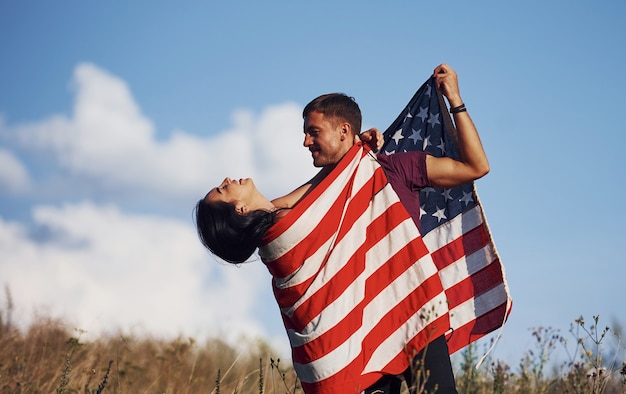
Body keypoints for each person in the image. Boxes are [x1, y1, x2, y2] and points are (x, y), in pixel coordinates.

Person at [195, 64, 488, 393]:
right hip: (360, 341)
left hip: (410, 307)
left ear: (343, 131)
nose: (306, 141)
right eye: (222, 191)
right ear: (240, 209)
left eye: (313, 132)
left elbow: (477, 166)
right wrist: (357, 155)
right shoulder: (290, 220)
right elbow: (293, 206)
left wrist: (454, 99)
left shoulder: (393, 168)